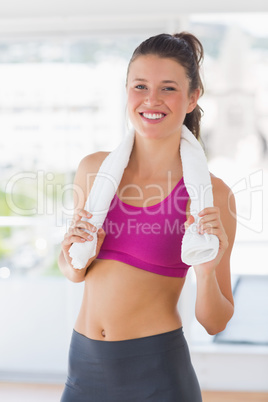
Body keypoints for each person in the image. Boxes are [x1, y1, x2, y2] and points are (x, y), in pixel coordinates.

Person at [59, 32, 236, 402]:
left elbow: (214, 320)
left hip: (156, 375)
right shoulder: (93, 171)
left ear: (192, 98)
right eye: (140, 86)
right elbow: (75, 273)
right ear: (126, 92)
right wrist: (73, 253)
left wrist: (206, 272)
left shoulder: (211, 196)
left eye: (168, 88)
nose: (151, 100)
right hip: (84, 369)